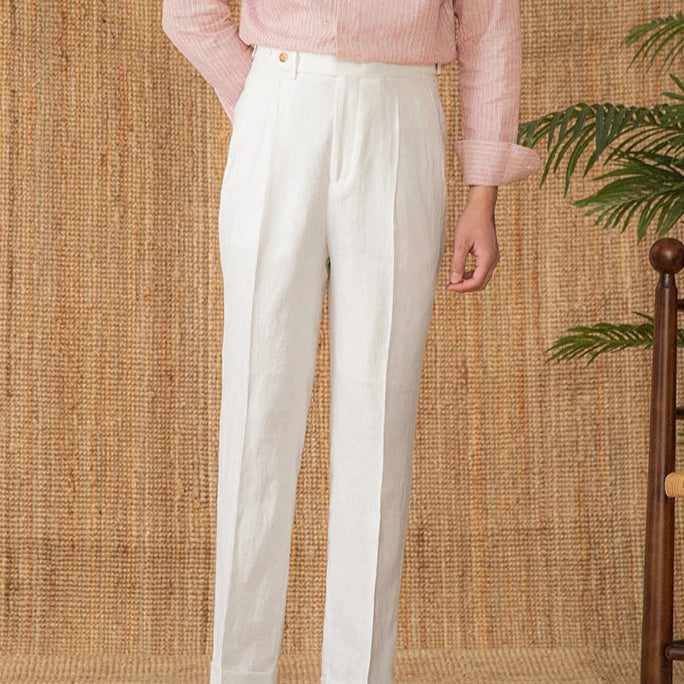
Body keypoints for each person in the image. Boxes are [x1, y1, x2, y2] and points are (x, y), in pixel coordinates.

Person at [161, 2, 541, 683]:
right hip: (281, 106)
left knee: (379, 423)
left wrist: (482, 195)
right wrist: (262, 101)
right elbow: (186, 10)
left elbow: (490, 28)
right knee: (256, 412)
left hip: (400, 114)